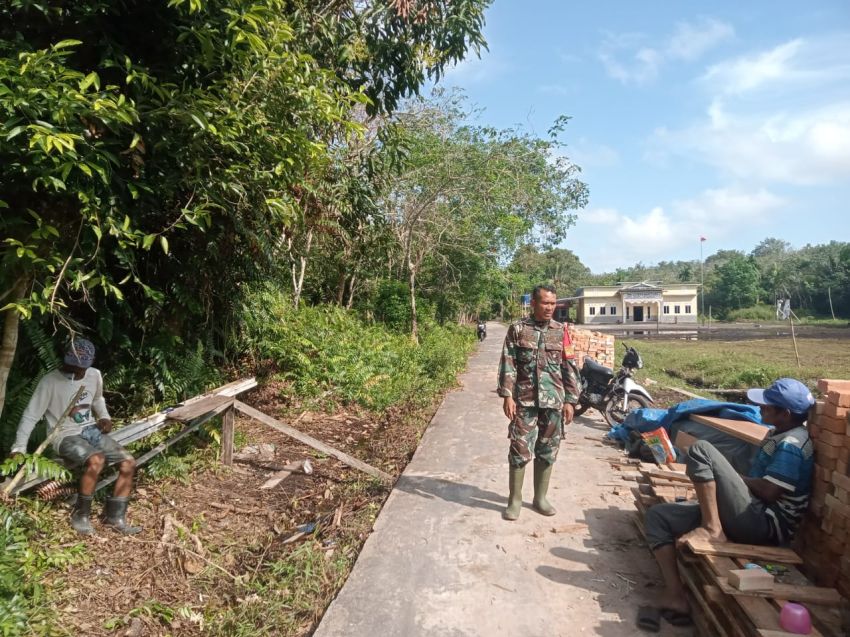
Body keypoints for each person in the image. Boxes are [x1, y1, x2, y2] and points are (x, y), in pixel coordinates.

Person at [638, 378, 815, 630]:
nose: (760, 409)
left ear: (785, 413)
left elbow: (770, 491)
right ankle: (675, 595)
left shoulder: (793, 444)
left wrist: (732, 477)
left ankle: (712, 528)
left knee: (701, 449)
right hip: (750, 511)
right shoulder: (779, 433)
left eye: (767, 406)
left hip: (764, 524)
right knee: (659, 516)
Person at [10, 338, 142, 535]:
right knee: (97, 460)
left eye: (84, 367)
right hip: (63, 435)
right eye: (75, 366)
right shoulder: (50, 382)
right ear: (66, 360)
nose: (80, 371)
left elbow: (98, 399)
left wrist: (104, 417)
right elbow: (30, 416)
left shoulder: (94, 375)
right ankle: (81, 515)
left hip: (90, 430)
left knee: (128, 463)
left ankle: (115, 518)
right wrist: (19, 448)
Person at [497, 284, 580, 521]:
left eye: (553, 304)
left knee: (547, 450)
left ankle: (540, 498)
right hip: (524, 401)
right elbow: (508, 363)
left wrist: (571, 400)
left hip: (554, 402)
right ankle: (514, 500)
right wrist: (507, 395)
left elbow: (569, 366)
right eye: (545, 303)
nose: (549, 308)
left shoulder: (561, 331)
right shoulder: (518, 329)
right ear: (533, 303)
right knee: (519, 448)